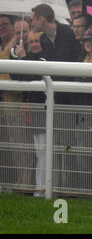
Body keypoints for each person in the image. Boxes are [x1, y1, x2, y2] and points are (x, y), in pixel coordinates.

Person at [10, 30, 51, 196]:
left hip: (45, 110)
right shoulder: (29, 58)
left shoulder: (46, 56)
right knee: (39, 151)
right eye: (32, 41)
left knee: (44, 152)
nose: (34, 44)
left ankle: (43, 189)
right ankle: (40, 188)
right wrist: (16, 58)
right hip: (34, 112)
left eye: (37, 41)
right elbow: (17, 76)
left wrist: (23, 59)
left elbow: (34, 71)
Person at [31, 4, 82, 104]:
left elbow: (75, 57)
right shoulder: (43, 39)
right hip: (55, 90)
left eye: (33, 19)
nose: (32, 23)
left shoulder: (68, 32)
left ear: (42, 19)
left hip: (72, 89)